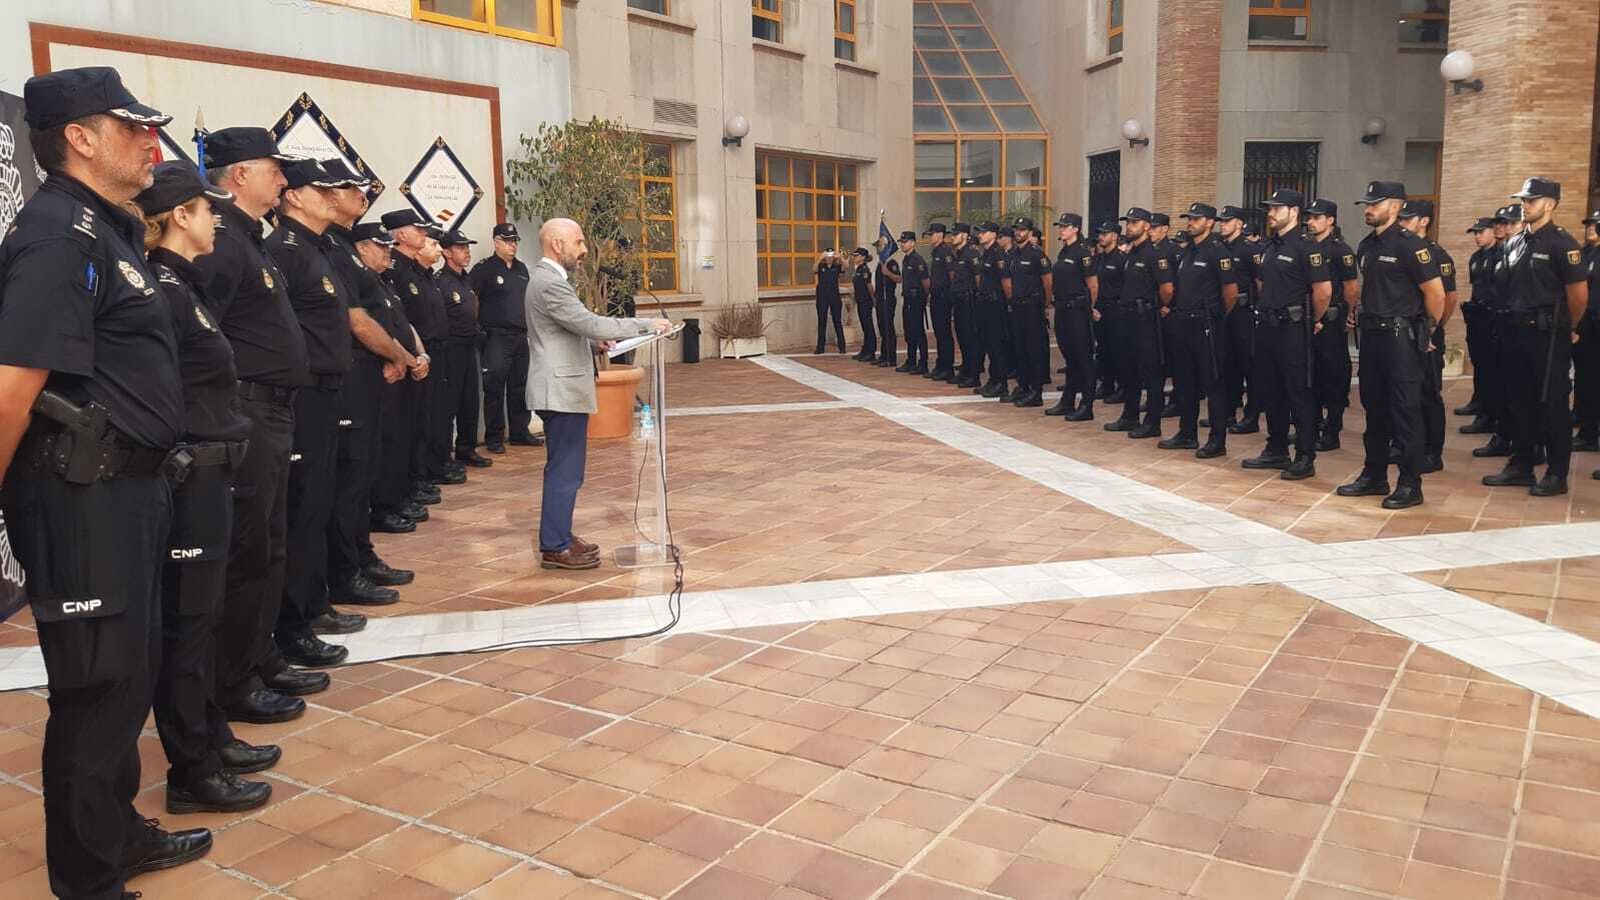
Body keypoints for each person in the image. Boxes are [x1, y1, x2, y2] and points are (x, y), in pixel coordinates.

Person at [0, 66, 212, 900]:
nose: (151, 142)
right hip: (82, 497)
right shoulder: (57, 234)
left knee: (125, 680)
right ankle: (87, 880)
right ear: (80, 139)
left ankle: (117, 833)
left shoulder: (108, 229)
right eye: (132, 128)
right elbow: (15, 383)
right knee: (94, 692)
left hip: (129, 493)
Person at [134, 162, 277, 817]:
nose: (215, 218)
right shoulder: (161, 292)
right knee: (188, 625)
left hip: (215, 469)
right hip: (189, 477)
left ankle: (210, 735)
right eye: (205, 209)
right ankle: (191, 769)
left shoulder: (182, 286)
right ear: (178, 216)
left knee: (207, 616)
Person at [197, 126, 322, 722]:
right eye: (273, 168)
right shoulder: (222, 242)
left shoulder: (251, 240)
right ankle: (235, 678)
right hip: (247, 410)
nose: (283, 177)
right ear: (239, 175)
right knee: (249, 551)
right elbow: (203, 334)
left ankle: (260, 653)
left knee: (271, 546)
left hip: (272, 410)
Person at [525, 218, 670, 569]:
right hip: (559, 389)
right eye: (578, 242)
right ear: (557, 245)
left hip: (562, 387)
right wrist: (646, 324)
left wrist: (593, 342)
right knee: (565, 470)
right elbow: (587, 321)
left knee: (568, 468)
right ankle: (555, 545)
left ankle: (560, 535)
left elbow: (570, 330)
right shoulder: (550, 284)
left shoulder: (550, 280)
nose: (584, 249)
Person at [263, 159, 354, 668]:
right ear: (294, 197)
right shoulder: (286, 251)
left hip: (328, 391)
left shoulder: (317, 249)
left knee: (319, 501)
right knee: (301, 509)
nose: (329, 195)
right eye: (318, 188)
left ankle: (314, 602)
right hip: (304, 394)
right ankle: (295, 620)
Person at [319, 160, 415, 602]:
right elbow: (356, 321)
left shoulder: (339, 249)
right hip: (351, 375)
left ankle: (360, 554)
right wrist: (399, 354)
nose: (361, 193)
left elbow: (378, 313)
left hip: (371, 373)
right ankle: (344, 571)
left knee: (363, 473)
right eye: (348, 187)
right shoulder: (326, 248)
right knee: (348, 480)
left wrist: (398, 355)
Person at [1336, 180, 1446, 509]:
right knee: (1375, 407)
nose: (1368, 208)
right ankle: (1374, 475)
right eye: (1367, 203)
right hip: (1373, 336)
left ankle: (1411, 484)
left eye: (1375, 203)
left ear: (1395, 206)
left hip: (1401, 337)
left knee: (1405, 411)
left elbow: (1436, 294)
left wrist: (1428, 330)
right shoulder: (1367, 245)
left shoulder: (1411, 246)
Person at [1483, 177, 1589, 496]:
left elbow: (1578, 294)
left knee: (1552, 404)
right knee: (1519, 401)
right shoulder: (1515, 242)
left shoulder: (1562, 243)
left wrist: (1569, 327)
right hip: (1515, 331)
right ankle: (1521, 464)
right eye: (1523, 200)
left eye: (1531, 200)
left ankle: (1557, 473)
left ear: (1550, 204)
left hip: (1548, 334)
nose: (1525, 205)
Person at [1241, 189, 1331, 480]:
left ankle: (1305, 455)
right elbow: (1265, 285)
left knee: (1297, 391)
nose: (1270, 213)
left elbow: (1323, 292)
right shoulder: (1269, 246)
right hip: (1268, 325)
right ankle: (1276, 448)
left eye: (1277, 208)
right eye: (1270, 208)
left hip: (1293, 328)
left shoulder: (1306, 247)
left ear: (1293, 212)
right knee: (1272, 389)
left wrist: (1311, 321)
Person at [357, 224, 433, 534]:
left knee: (403, 437)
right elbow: (375, 331)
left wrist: (421, 355)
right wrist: (403, 358)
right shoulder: (362, 285)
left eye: (389, 245)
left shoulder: (384, 281)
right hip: (383, 373)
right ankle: (383, 507)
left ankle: (397, 498)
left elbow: (404, 324)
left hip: (404, 367)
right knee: (386, 442)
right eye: (379, 246)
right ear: (361, 249)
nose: (387, 250)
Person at [382, 209, 457, 491]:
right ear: (401, 234)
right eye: (419, 230)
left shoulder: (420, 271)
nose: (425, 235)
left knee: (430, 417)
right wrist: (413, 356)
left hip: (431, 351)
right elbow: (402, 321)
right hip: (410, 357)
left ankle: (424, 473)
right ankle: (413, 478)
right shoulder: (396, 270)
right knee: (412, 422)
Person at [1162, 203, 1237, 456]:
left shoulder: (1218, 252)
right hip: (1184, 323)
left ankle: (1217, 439)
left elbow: (1230, 293)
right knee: (1185, 381)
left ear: (1210, 222)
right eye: (1189, 218)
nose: (1190, 222)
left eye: (1196, 218)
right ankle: (1187, 432)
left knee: (1212, 382)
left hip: (1206, 324)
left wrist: (1215, 317)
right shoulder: (1186, 254)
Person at [1398, 199, 1457, 473]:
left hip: (1428, 331)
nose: (1402, 223)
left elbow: (1448, 297)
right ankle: (1407, 445)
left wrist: (1434, 328)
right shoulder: (1402, 248)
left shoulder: (1436, 254)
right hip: (1405, 331)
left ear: (1424, 221)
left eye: (1408, 218)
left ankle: (1433, 452)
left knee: (1428, 393)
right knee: (1405, 392)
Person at [472, 223, 539, 451]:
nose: (512, 246)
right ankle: (494, 437)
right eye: (507, 241)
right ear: (496, 242)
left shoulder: (521, 269)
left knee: (519, 386)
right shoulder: (484, 269)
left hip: (520, 335)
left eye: (515, 241)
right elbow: (472, 300)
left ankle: (520, 431)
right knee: (494, 387)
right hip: (496, 336)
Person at [1106, 208, 1171, 438]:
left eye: (1134, 223)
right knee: (1128, 367)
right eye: (1128, 222)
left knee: (1150, 370)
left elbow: (1167, 289)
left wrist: (1159, 307)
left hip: (1146, 317)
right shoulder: (1130, 254)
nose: (1129, 226)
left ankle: (1152, 421)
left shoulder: (1154, 255)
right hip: (1128, 317)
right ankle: (1130, 414)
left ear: (1146, 226)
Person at [1303, 199, 1358, 451]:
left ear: (1330, 220)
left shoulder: (1340, 250)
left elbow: (1350, 287)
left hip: (1331, 320)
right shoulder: (1305, 246)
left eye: (1317, 217)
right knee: (1310, 375)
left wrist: (1349, 312)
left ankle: (1332, 429)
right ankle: (1311, 427)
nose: (1311, 222)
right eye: (1309, 217)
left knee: (1334, 374)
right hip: (1308, 318)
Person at [436, 230, 491, 467]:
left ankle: (466, 449)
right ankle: (444, 454)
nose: (467, 252)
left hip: (470, 345)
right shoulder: (440, 281)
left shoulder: (466, 279)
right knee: (450, 403)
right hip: (451, 347)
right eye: (460, 248)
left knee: (470, 401)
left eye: (467, 247)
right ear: (446, 252)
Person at [1047, 212, 1099, 421]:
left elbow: (1093, 286)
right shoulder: (1064, 252)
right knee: (1070, 358)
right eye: (1061, 226)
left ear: (1076, 228)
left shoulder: (1082, 253)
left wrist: (1088, 308)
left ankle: (1087, 404)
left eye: (1066, 226)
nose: (1062, 229)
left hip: (1077, 311)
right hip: (1062, 310)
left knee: (1083, 358)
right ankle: (1068, 400)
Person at [1218, 206, 1260, 434]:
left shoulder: (1247, 250)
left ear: (1239, 224)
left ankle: (1251, 416)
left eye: (1227, 221)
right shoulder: (1220, 248)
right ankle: (1228, 412)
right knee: (1228, 364)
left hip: (1244, 311)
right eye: (1221, 221)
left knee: (1248, 365)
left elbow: (1260, 282)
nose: (1223, 224)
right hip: (1225, 311)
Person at [1003, 217, 1051, 407]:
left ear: (1030, 233)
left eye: (1022, 230)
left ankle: (1036, 391)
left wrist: (1046, 304)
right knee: (1020, 348)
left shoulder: (1037, 255)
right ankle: (1023, 386)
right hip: (1017, 307)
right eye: (1016, 229)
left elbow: (1048, 282)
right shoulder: (1012, 254)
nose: (1018, 233)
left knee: (1034, 349)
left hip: (1033, 307)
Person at [1460, 217, 1500, 437]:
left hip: (1493, 318)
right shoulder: (1476, 257)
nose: (1477, 236)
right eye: (1474, 232)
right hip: (1477, 316)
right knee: (1479, 362)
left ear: (1493, 231)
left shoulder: (1500, 256)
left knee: (1490, 366)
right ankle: (1479, 401)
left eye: (1480, 232)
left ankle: (1488, 413)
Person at [1574, 211, 1600, 454]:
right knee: (1586, 378)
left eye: (1596, 224)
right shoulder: (1586, 253)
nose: (1591, 228)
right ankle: (1587, 429)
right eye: (1590, 224)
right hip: (1587, 325)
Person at [1093, 222, 1127, 405]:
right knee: (1103, 349)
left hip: (1116, 309)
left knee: (1118, 350)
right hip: (1100, 309)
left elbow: (1126, 287)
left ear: (1114, 236)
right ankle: (1106, 384)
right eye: (1100, 234)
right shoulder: (1098, 259)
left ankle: (1122, 386)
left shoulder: (1121, 259)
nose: (1101, 237)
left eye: (1105, 234)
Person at [974, 222, 1008, 397]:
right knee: (988, 343)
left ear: (993, 235)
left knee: (997, 345)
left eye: (984, 232)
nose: (980, 235)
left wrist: (1008, 304)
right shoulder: (985, 254)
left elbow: (1006, 283)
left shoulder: (997, 253)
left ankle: (1000, 382)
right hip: (984, 304)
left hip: (995, 305)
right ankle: (993, 380)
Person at [950, 223, 983, 388]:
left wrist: (978, 300)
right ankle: (965, 370)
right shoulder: (958, 254)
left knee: (971, 339)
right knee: (962, 338)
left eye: (955, 234)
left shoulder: (972, 254)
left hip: (970, 301)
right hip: (959, 301)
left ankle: (974, 374)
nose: (952, 237)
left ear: (965, 235)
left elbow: (978, 279)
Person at [926, 223, 957, 380]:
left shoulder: (946, 251)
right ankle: (941, 364)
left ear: (940, 235)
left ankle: (947, 367)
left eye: (932, 234)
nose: (930, 237)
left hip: (944, 297)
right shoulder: (936, 251)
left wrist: (951, 296)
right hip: (936, 296)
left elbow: (952, 275)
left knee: (944, 333)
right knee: (938, 332)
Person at [898, 230, 930, 374]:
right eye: (902, 242)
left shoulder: (918, 260)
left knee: (918, 331)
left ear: (912, 243)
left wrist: (925, 298)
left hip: (917, 299)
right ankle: (911, 360)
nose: (902, 245)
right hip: (908, 298)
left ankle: (923, 363)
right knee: (909, 331)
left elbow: (926, 281)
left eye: (905, 242)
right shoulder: (906, 259)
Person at [874, 236, 901, 368]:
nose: (877, 249)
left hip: (888, 299)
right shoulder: (880, 263)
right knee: (882, 327)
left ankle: (891, 357)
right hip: (880, 299)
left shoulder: (891, 263)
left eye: (879, 246)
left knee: (888, 327)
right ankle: (884, 355)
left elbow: (898, 279)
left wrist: (888, 273)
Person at [813, 247, 846, 354]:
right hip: (822, 296)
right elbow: (814, 269)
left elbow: (846, 267)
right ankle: (820, 347)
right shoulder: (821, 265)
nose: (830, 259)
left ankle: (842, 347)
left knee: (837, 321)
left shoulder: (837, 266)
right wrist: (820, 258)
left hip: (834, 296)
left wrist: (840, 257)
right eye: (828, 256)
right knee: (822, 321)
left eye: (831, 257)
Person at [849, 248, 878, 362]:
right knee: (865, 327)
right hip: (860, 301)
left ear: (862, 257)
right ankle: (865, 350)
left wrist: (873, 298)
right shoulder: (858, 269)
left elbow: (869, 286)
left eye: (856, 256)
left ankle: (871, 352)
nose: (854, 258)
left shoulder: (865, 270)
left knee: (868, 327)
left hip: (866, 301)